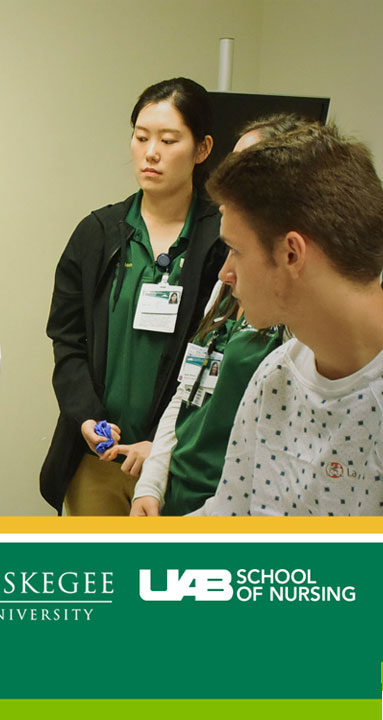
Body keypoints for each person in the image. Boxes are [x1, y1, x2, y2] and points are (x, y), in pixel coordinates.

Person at [40, 78, 226, 515]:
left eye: (168, 140)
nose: (151, 153)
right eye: (141, 138)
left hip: (179, 462)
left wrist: (161, 443)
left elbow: (225, 355)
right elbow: (67, 339)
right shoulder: (98, 233)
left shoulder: (222, 239)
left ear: (202, 149)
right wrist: (86, 417)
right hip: (99, 459)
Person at [195, 122, 383, 515]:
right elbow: (228, 518)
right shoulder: (275, 375)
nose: (225, 273)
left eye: (235, 250)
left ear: (291, 254)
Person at [131, 114, 309, 517]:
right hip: (176, 493)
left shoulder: (294, 317)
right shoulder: (227, 285)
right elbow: (186, 389)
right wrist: (151, 485)